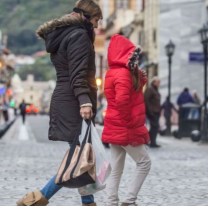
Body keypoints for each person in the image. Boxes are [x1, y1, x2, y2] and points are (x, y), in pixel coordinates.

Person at [16, 1, 102, 206]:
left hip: (65, 98)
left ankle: (88, 202)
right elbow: (78, 74)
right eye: (97, 20)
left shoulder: (64, 35)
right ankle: (37, 198)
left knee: (81, 156)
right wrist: (84, 102)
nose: (97, 26)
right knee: (78, 158)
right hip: (74, 101)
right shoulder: (79, 35)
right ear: (87, 17)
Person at [102, 35, 151, 206]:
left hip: (114, 125)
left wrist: (140, 78)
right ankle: (129, 201)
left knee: (116, 169)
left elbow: (130, 93)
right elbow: (123, 100)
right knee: (144, 163)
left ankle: (111, 202)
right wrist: (130, 122)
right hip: (125, 126)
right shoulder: (123, 74)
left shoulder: (112, 72)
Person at [144, 76, 161, 148]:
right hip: (152, 111)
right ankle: (150, 141)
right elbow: (146, 100)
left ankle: (151, 141)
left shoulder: (155, 89)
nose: (159, 83)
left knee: (155, 127)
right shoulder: (150, 89)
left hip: (156, 111)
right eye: (158, 82)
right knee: (154, 126)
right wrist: (150, 111)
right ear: (154, 82)